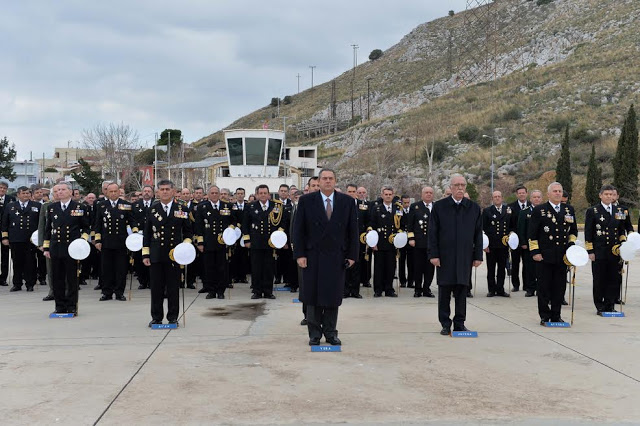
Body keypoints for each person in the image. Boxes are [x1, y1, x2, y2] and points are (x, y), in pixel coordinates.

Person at [293, 168, 358, 346]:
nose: (327, 181)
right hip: (312, 256)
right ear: (319, 181)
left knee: (332, 296)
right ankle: (314, 334)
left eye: (331, 178)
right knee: (312, 296)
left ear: (335, 181)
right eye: (324, 178)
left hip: (336, 256)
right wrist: (299, 254)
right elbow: (298, 231)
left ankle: (330, 333)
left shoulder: (347, 202)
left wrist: (352, 255)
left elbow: (353, 231)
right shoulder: (306, 201)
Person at [428, 174, 483, 335]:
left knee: (462, 290)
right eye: (456, 185)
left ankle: (460, 323)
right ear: (450, 188)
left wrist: (478, 255)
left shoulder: (473, 208)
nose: (460, 188)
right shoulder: (439, 207)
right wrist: (433, 255)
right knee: (444, 291)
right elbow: (433, 233)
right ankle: (445, 323)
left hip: (465, 257)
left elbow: (477, 234)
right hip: (445, 256)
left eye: (463, 185)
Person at [142, 180, 193, 327]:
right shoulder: (152, 210)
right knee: (156, 289)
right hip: (156, 255)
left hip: (174, 255)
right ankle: (156, 317)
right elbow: (147, 234)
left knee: (173, 288)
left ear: (173, 191)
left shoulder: (181, 209)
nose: (164, 192)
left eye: (167, 189)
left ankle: (172, 317)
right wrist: (146, 254)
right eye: (162, 189)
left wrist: (185, 247)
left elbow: (189, 232)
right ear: (157, 192)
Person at [528, 182, 578, 325]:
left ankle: (556, 315)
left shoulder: (569, 210)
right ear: (548, 194)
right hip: (545, 255)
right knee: (544, 287)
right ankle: (544, 315)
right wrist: (535, 252)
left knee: (559, 287)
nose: (558, 193)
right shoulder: (540, 210)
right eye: (554, 191)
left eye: (560, 191)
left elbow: (573, 231)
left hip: (562, 256)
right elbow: (532, 234)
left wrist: (571, 245)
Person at [43, 182, 90, 315]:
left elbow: (86, 227)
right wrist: (46, 248)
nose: (60, 192)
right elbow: (48, 229)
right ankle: (59, 306)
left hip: (72, 248)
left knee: (71, 279)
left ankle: (71, 305)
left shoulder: (79, 207)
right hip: (56, 247)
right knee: (57, 278)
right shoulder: (52, 207)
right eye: (57, 190)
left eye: (63, 190)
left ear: (70, 192)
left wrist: (82, 241)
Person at [584, 185, 627, 315]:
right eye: (606, 194)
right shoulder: (593, 211)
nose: (609, 196)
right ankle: (600, 305)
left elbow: (621, 230)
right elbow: (588, 232)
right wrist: (590, 251)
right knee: (599, 279)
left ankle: (610, 304)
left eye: (610, 194)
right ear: (600, 195)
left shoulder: (618, 210)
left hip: (614, 251)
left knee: (613, 279)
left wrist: (623, 245)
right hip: (599, 251)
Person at [94, 182, 138, 301]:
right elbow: (97, 224)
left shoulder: (126, 205)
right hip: (106, 242)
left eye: (115, 191)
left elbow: (132, 221)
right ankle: (106, 292)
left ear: (119, 192)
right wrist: (97, 240)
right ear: (106, 192)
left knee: (121, 269)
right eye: (111, 191)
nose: (113, 194)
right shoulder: (101, 205)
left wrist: (135, 235)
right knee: (106, 269)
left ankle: (119, 292)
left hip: (121, 242)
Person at [242, 185, 285, 299]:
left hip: (271, 242)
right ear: (256, 195)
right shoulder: (250, 206)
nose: (262, 195)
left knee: (269, 268)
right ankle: (257, 291)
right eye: (260, 193)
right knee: (256, 268)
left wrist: (279, 238)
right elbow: (245, 224)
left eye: (265, 193)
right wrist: (246, 239)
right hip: (256, 241)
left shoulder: (277, 206)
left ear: (269, 194)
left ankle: (268, 291)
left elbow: (283, 222)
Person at [195, 186, 234, 299]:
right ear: (208, 194)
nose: (214, 195)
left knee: (222, 268)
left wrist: (229, 232)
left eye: (216, 193)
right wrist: (200, 243)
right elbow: (198, 226)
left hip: (222, 243)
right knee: (209, 268)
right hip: (208, 242)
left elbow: (234, 221)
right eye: (212, 193)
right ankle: (211, 290)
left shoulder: (227, 206)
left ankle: (221, 291)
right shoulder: (202, 207)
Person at [1, 187, 41, 291]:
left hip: (31, 239)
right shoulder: (11, 206)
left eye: (27, 193)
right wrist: (5, 237)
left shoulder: (36, 206)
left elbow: (41, 223)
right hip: (16, 238)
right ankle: (17, 284)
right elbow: (5, 222)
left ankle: (30, 284)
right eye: (23, 193)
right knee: (17, 262)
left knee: (30, 262)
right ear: (18, 195)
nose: (26, 195)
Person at [369, 186, 403, 298]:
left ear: (393, 195)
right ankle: (378, 290)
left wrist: (400, 239)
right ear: (382, 195)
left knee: (391, 267)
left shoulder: (398, 209)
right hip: (379, 243)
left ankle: (389, 289)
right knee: (379, 268)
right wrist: (373, 243)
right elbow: (372, 226)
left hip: (392, 243)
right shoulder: (376, 208)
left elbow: (401, 225)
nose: (388, 196)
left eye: (390, 194)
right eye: (386, 194)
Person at [482, 191, 512, 297]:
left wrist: (511, 239)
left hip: (503, 245)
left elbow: (511, 226)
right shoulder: (487, 211)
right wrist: (485, 245)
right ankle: (491, 289)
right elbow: (483, 228)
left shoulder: (508, 210)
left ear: (502, 198)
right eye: (495, 197)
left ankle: (500, 289)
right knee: (491, 268)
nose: (497, 198)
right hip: (491, 245)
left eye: (499, 196)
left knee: (501, 268)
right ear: (492, 199)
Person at [407, 186, 435, 298]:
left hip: (432, 243)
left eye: (430, 193)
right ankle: (418, 289)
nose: (428, 194)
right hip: (418, 242)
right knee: (418, 267)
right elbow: (410, 224)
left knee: (430, 268)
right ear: (422, 194)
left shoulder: (437, 206)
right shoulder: (415, 206)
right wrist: (411, 238)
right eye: (426, 193)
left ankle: (426, 289)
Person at [517, 189, 543, 297]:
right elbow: (521, 228)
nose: (536, 199)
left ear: (541, 199)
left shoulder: (545, 211)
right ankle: (530, 288)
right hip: (528, 245)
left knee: (541, 269)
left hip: (542, 245)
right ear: (530, 199)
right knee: (529, 268)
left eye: (538, 197)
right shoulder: (524, 212)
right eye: (534, 197)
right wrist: (523, 242)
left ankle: (540, 288)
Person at [344, 184, 365, 298]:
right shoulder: (342, 205)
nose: (351, 193)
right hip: (346, 240)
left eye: (353, 191)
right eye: (349, 191)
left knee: (357, 266)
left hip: (358, 240)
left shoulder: (363, 206)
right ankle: (346, 290)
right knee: (346, 266)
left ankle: (355, 291)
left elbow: (367, 221)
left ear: (357, 192)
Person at [132, 185, 154, 289]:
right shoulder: (136, 205)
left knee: (151, 258)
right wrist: (136, 230)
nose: (146, 193)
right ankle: (142, 281)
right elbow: (132, 220)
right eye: (145, 191)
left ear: (152, 193)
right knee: (139, 259)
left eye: (149, 191)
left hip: (152, 236)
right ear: (142, 193)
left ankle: (151, 281)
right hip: (139, 236)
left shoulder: (156, 204)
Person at [508, 185, 530, 291]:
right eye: (519, 193)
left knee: (527, 264)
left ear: (526, 193)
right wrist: (511, 234)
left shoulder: (531, 206)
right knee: (515, 263)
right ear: (517, 194)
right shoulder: (511, 207)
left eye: (523, 192)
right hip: (515, 240)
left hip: (527, 241)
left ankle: (527, 285)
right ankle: (515, 285)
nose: (521, 194)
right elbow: (508, 223)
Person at [0, 181, 16, 286]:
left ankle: (3, 278)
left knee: (5, 255)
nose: (2, 190)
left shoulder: (11, 199)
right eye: (0, 188)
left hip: (4, 230)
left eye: (4, 188)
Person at [398, 194, 414, 289]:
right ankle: (402, 281)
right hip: (401, 238)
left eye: (408, 202)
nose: (407, 204)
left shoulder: (412, 211)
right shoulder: (398, 211)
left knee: (411, 262)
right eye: (405, 203)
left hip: (410, 238)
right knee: (401, 261)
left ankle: (411, 281)